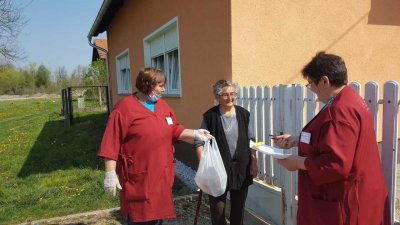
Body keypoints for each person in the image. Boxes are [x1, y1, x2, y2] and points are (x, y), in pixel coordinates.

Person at [274, 52, 390, 225]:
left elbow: (335, 165)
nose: (311, 89)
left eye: (311, 83)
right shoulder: (348, 99)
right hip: (355, 193)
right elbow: (330, 138)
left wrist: (297, 162)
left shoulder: (339, 112)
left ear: (325, 81)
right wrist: (297, 139)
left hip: (344, 201)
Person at [98, 67, 212, 225]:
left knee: (158, 216)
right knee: (141, 217)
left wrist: (194, 133)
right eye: (160, 85)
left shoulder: (162, 106)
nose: (164, 89)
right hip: (139, 176)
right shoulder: (124, 108)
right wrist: (110, 173)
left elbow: (174, 129)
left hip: (161, 173)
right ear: (147, 85)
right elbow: (111, 142)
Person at [194, 79, 258, 225]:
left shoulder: (244, 114)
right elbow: (199, 141)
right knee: (218, 213)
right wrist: (204, 165)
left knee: (238, 211)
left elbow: (252, 139)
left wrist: (254, 161)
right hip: (217, 170)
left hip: (241, 169)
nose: (230, 98)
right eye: (225, 95)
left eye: (233, 94)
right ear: (217, 97)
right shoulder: (210, 116)